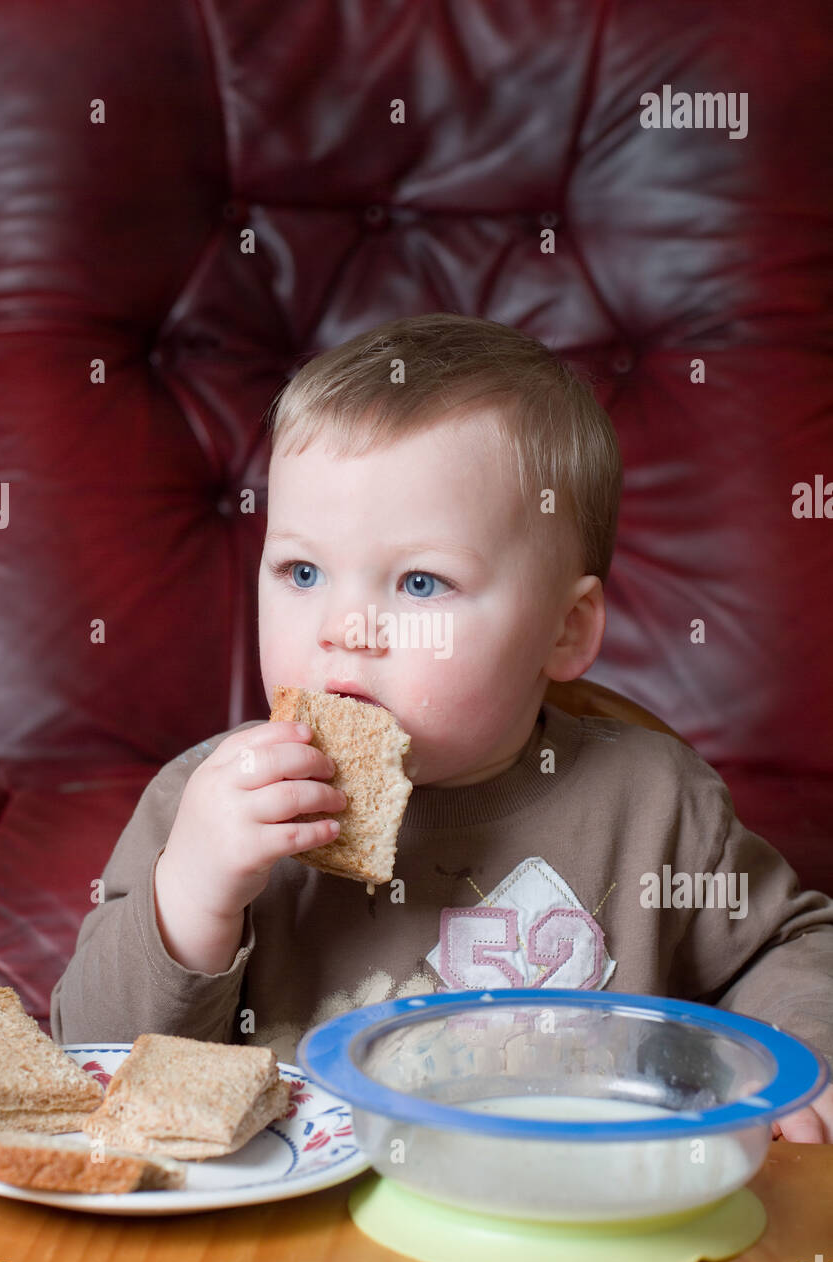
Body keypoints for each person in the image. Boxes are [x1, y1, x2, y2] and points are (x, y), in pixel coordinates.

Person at [50, 313, 833, 1142]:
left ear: (564, 631)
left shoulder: (656, 804)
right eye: (302, 571)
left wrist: (809, 1060)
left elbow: (785, 949)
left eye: (421, 584)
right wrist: (194, 896)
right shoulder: (206, 805)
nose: (344, 627)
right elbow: (90, 1063)